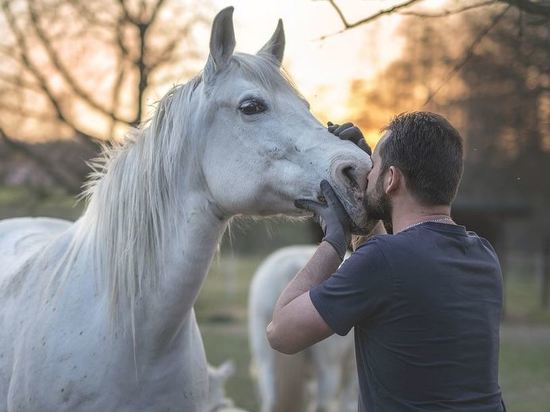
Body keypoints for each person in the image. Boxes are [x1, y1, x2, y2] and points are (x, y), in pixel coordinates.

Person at [267, 112, 506, 411]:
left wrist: (333, 241)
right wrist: (367, 194)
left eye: (374, 167)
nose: (367, 176)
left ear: (391, 179)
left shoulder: (384, 261)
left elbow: (281, 333)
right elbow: (391, 262)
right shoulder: (484, 256)